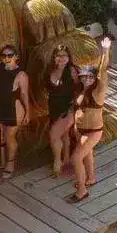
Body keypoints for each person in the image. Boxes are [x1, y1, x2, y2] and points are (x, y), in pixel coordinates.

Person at [69, 36, 113, 203]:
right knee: (87, 154)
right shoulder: (81, 90)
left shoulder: (98, 92)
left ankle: (82, 191)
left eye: (90, 77)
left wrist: (105, 51)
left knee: (75, 159)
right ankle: (91, 178)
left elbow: (103, 70)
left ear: (95, 79)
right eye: (84, 76)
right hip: (80, 130)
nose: (86, 79)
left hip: (93, 131)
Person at [0, 44, 31, 180]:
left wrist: (28, 112)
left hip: (13, 108)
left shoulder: (21, 74)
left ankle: (10, 162)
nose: (6, 58)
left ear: (16, 56)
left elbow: (24, 94)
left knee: (9, 137)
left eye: (10, 55)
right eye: (3, 55)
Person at [44, 44, 80, 178]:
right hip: (54, 108)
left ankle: (57, 162)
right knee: (64, 134)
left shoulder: (72, 70)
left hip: (68, 108)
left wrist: (74, 106)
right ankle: (66, 159)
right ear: (54, 57)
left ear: (69, 57)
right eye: (58, 55)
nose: (61, 58)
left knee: (54, 135)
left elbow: (79, 88)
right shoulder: (49, 70)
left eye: (64, 55)